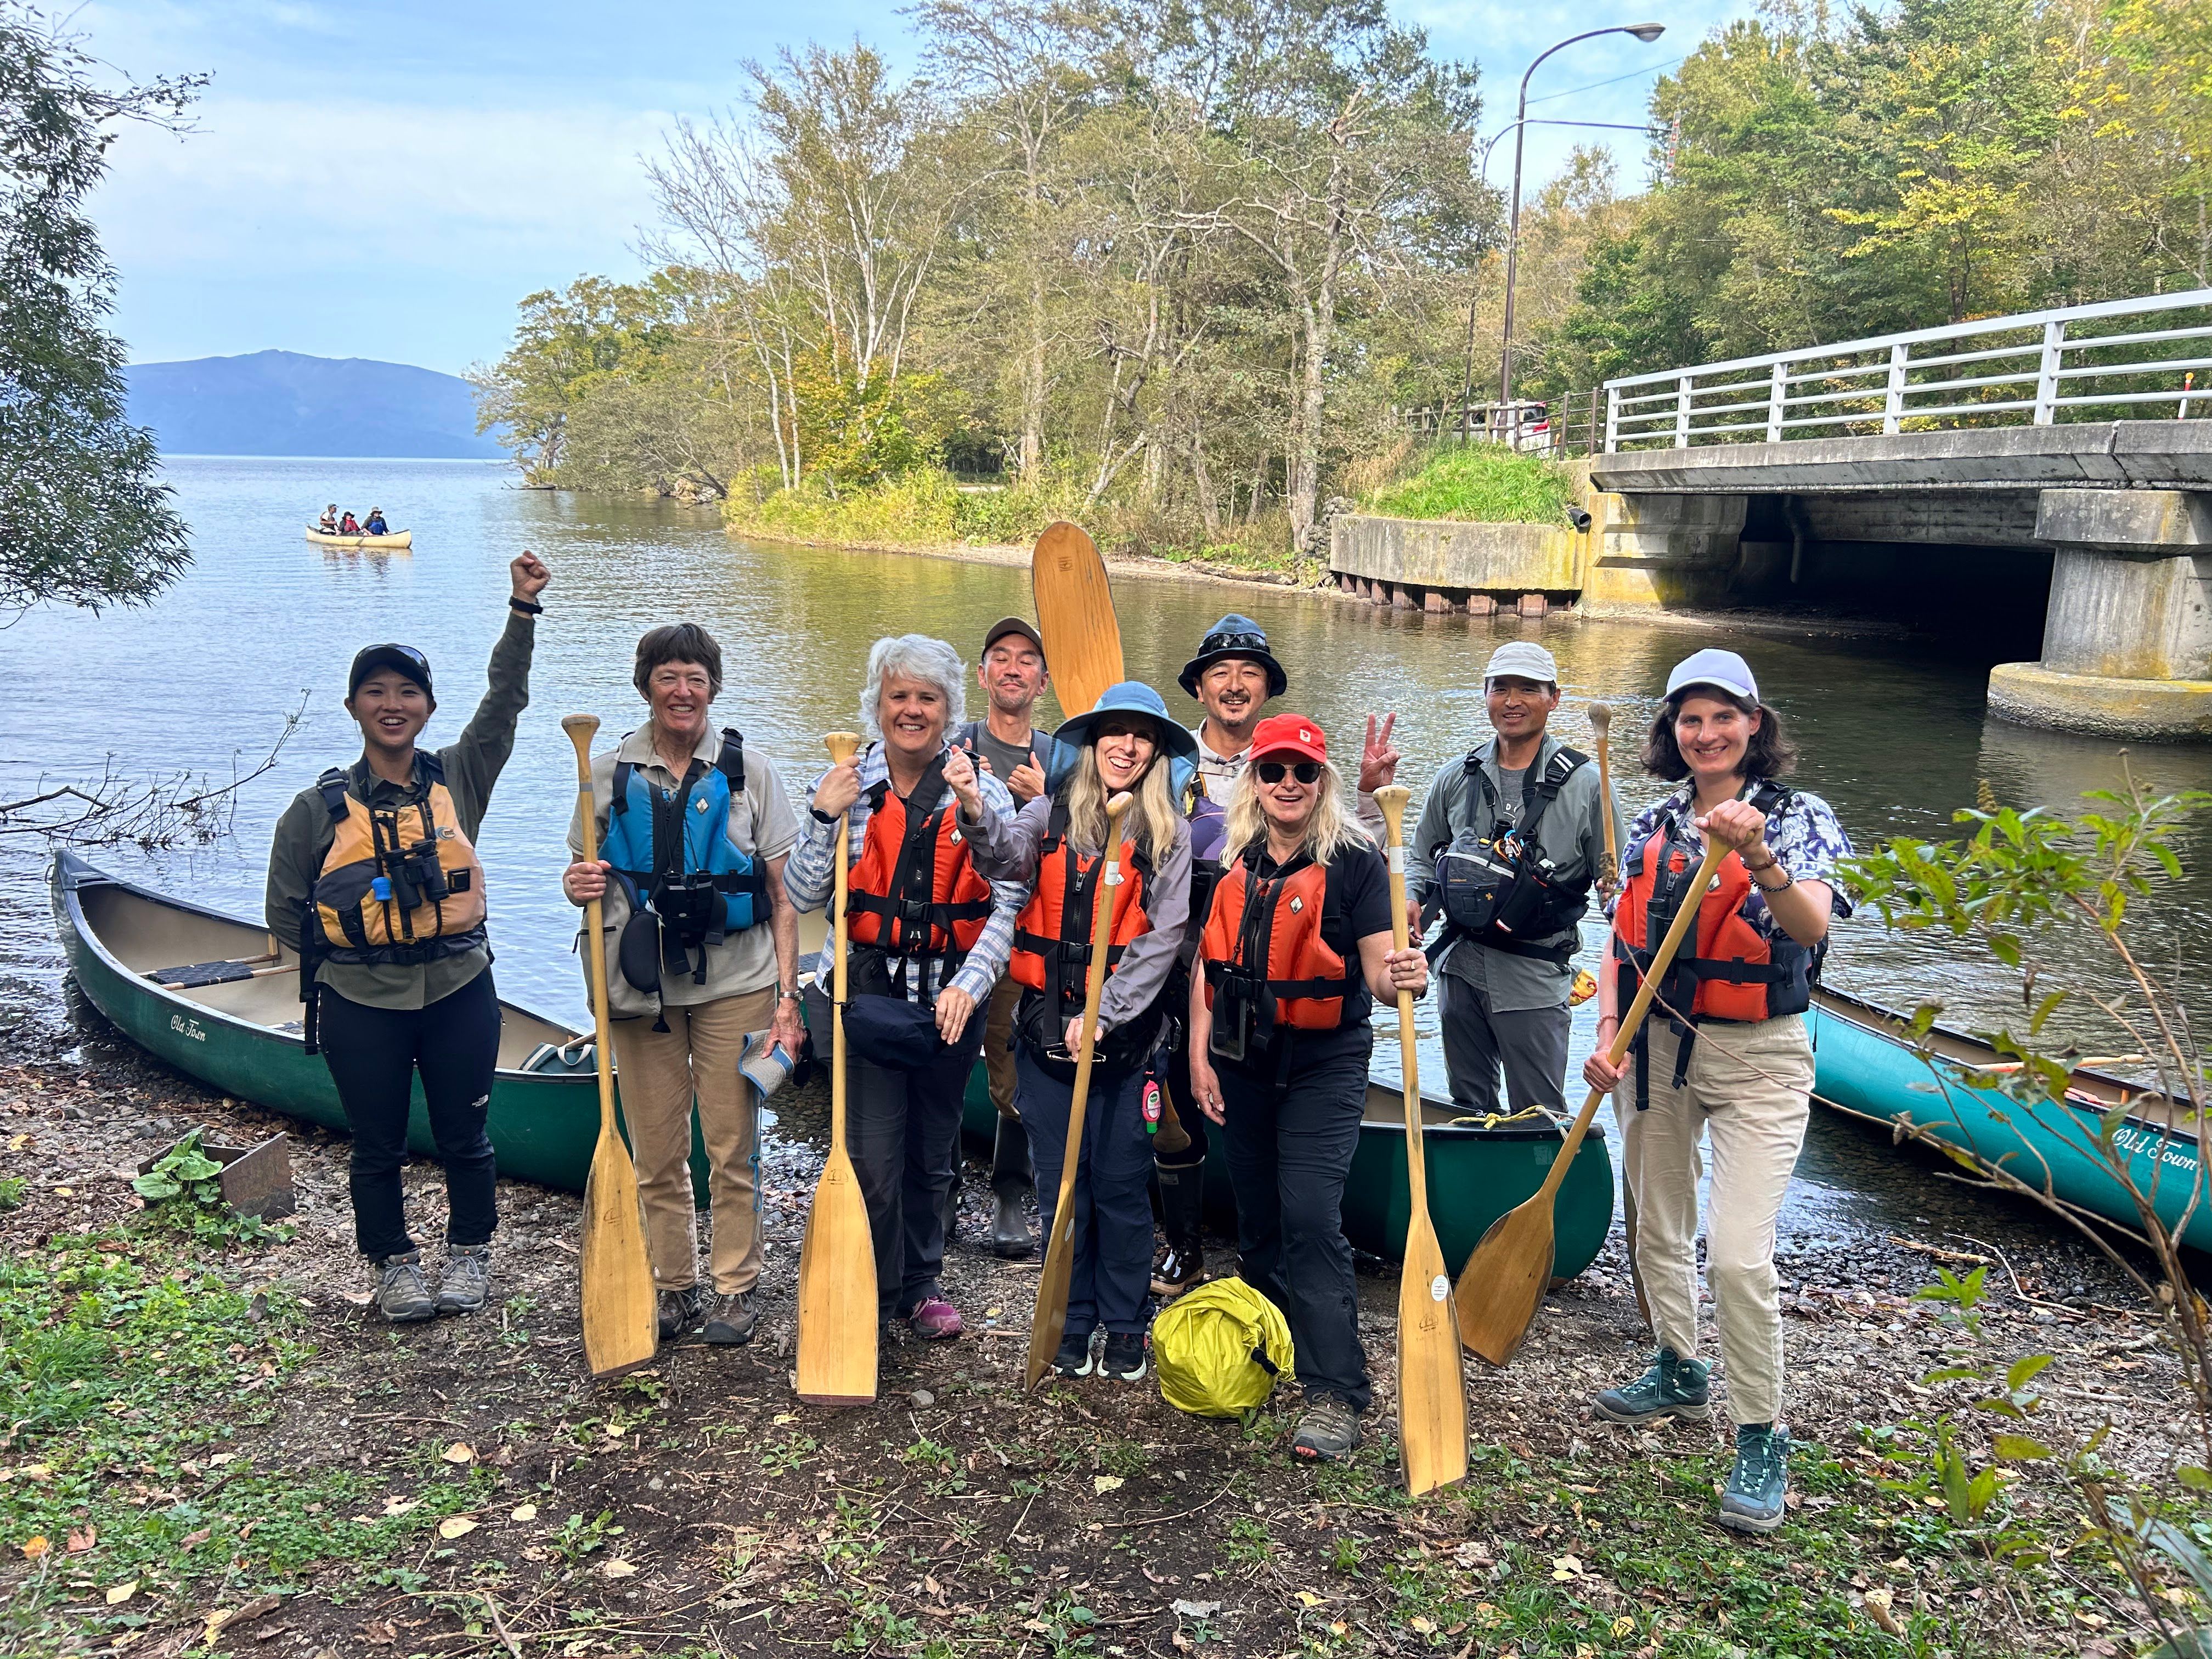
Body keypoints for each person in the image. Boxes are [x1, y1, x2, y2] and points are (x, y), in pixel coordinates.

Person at [1582, 647, 1850, 1534]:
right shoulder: (1658, 819)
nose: (1706, 733)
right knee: (1653, 1220)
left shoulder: (1799, 815)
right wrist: (1604, 1035)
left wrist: (1760, 857)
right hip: (1655, 1048)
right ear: (1672, 732)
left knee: (1736, 1251)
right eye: (1689, 719)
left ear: (1753, 724)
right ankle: (1675, 1359)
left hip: (1761, 1055)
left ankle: (1760, 1429)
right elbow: (1624, 945)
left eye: (1722, 715)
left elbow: (1808, 922)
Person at [264, 551, 550, 1322]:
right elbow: (285, 912)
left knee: (467, 1134)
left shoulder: (463, 774)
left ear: (426, 706)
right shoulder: (314, 811)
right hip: (360, 997)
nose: (393, 705)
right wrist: (356, 950)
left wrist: (522, 610)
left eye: (408, 692)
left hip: (458, 985)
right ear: (355, 706)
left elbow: (504, 703)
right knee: (377, 1143)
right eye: (377, 692)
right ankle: (393, 1264)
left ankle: (469, 1254)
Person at [1184, 714, 1428, 1464]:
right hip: (1242, 1060)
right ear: (1253, 781)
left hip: (1324, 1062)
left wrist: (1402, 976)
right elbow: (1208, 964)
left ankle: (1336, 1393)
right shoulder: (1236, 855)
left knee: (1311, 1217)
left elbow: (1382, 973)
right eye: (1274, 771)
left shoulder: (1355, 860)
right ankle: (1274, 1345)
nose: (1288, 784)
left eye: (1303, 773)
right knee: (1258, 1217)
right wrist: (1197, 1057)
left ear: (1321, 783)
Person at [561, 624, 805, 1345]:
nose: (683, 691)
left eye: (696, 677)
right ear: (647, 685)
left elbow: (784, 894)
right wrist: (575, 884)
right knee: (659, 1149)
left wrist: (790, 996)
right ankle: (674, 1286)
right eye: (669, 676)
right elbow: (585, 875)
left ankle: (735, 1287)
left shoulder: (750, 771)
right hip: (642, 991)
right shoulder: (604, 773)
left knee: (732, 1146)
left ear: (713, 688)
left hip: (738, 983)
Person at [787, 635, 1023, 1344]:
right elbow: (801, 892)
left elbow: (1008, 897)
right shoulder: (844, 784)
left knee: (931, 1156)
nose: (912, 710)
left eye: (927, 698)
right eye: (899, 697)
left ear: (950, 709)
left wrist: (972, 986)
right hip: (863, 1004)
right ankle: (867, 1284)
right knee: (875, 1162)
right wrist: (823, 816)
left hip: (950, 1005)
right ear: (878, 705)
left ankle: (919, 1288)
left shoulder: (981, 790)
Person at [958, 681, 1194, 1383]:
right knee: (1068, 1185)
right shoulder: (1046, 816)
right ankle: (1071, 1314)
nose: (1126, 747)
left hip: (1125, 1050)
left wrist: (1107, 1011)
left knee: (1121, 1186)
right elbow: (1001, 859)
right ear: (1092, 746)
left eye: (1141, 737)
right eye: (1113, 734)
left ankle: (1125, 1321)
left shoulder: (1169, 838)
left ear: (1155, 753)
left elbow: (1163, 938)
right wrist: (975, 806)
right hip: (1045, 1044)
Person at [1155, 616, 1398, 1296]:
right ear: (1199, 687)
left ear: (1265, 687)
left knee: (1249, 1139)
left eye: (1249, 672)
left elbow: (1346, 872)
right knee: (1176, 1109)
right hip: (1170, 960)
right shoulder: (1170, 765)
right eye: (1220, 673)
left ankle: (1279, 1285)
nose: (1234, 685)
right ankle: (1184, 1248)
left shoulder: (1290, 764)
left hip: (1254, 982)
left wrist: (1374, 801)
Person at [1408, 641, 1614, 1115]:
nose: (1512, 701)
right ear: (1486, 695)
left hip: (1534, 976)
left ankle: (1544, 1189)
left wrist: (1622, 922)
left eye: (1529, 689)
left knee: (1538, 1112)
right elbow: (1421, 857)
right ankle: (1479, 1189)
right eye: (1501, 688)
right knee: (1469, 1106)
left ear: (1554, 699)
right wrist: (1413, 898)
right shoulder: (1456, 776)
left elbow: (1617, 884)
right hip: (1458, 969)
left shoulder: (1588, 784)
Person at [947, 617, 1052, 1259]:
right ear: (982, 675)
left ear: (1043, 681)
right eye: (1000, 659)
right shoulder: (951, 746)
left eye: (1026, 661)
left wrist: (1049, 798)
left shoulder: (1062, 756)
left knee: (1013, 1074)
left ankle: (1011, 1195)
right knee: (942, 1059)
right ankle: (942, 1192)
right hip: (953, 933)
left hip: (1024, 941)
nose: (1013, 669)